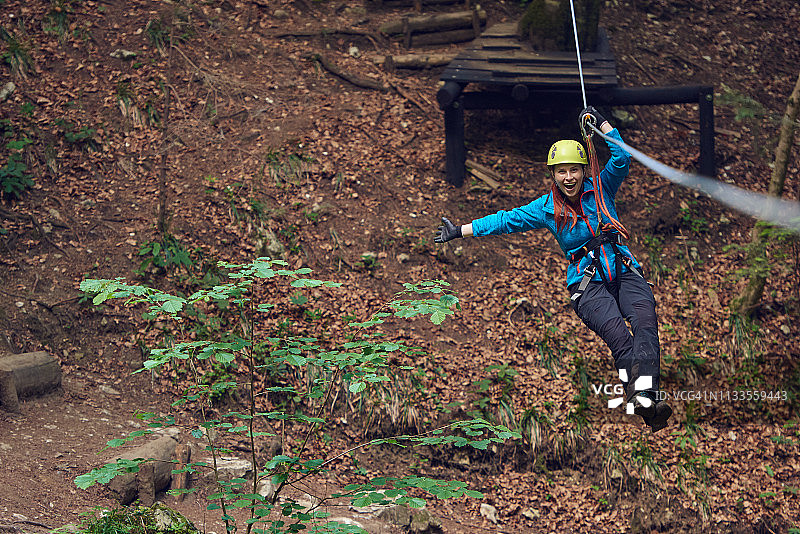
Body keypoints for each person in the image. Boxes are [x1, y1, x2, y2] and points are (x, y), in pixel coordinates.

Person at [435, 106, 672, 432]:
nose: (569, 177)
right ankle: (643, 401)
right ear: (553, 175)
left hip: (623, 267)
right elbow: (506, 220)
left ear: (584, 170)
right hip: (587, 284)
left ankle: (644, 393)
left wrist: (601, 124)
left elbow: (622, 158)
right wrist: (460, 230)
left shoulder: (602, 188)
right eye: (561, 172)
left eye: (574, 170)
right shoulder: (547, 209)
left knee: (645, 321)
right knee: (619, 337)